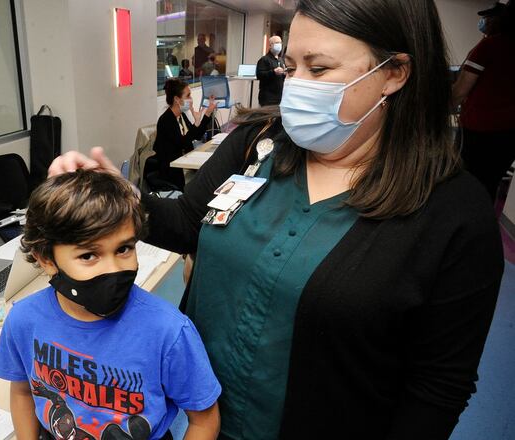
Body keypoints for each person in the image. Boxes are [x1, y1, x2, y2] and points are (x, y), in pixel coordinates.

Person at [48, 0, 504, 438]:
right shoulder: (257, 142)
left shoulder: (454, 216)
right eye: (292, 67)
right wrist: (123, 198)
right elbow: (187, 222)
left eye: (319, 69)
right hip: (200, 419)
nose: (295, 85)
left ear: (394, 73)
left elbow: (437, 389)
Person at [0, 170, 221, 440]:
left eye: (124, 249)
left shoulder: (168, 331)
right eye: (89, 255)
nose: (113, 269)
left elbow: (204, 420)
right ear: (45, 259)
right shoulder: (23, 319)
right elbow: (22, 391)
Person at [452, 0, 515, 201]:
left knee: (462, 182)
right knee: (490, 183)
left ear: (500, 20)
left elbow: (460, 91)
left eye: (488, 17)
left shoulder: (489, 46)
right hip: (509, 133)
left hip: (478, 132)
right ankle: (482, 224)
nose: (483, 21)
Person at [152, 78, 216, 190]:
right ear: (177, 99)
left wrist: (207, 114)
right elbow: (182, 143)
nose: (191, 99)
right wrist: (196, 123)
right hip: (172, 169)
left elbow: (196, 135)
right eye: (188, 96)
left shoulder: (181, 115)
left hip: (184, 163)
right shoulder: (166, 120)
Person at [256, 35, 286, 106]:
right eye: (276, 42)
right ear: (270, 45)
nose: (279, 45)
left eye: (280, 42)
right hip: (268, 97)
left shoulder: (281, 60)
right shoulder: (264, 59)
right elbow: (259, 75)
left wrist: (285, 74)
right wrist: (273, 72)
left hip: (279, 96)